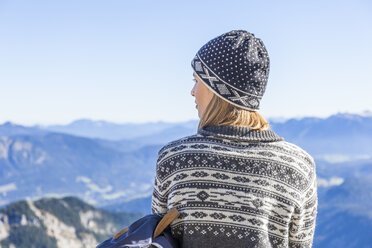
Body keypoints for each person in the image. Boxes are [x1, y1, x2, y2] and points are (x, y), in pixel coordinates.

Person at [151, 30, 317, 248]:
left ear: (215, 88)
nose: (192, 92)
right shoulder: (298, 166)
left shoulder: (175, 158)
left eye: (197, 81)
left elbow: (155, 236)